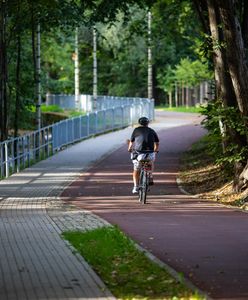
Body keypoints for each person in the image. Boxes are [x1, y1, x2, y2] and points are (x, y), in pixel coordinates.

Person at [127, 116, 159, 194]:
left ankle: (135, 187)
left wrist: (129, 148)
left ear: (139, 123)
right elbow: (157, 143)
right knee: (150, 162)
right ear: (148, 123)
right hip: (150, 153)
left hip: (139, 154)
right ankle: (150, 175)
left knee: (136, 169)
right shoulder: (152, 131)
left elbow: (131, 142)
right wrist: (155, 150)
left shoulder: (136, 130)